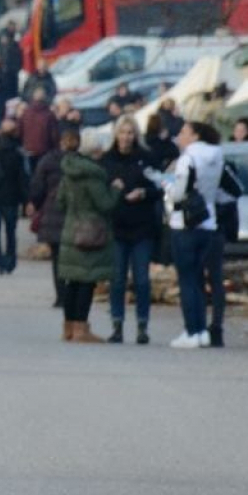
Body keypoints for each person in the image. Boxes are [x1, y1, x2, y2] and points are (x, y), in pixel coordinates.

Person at [163, 120, 226, 349]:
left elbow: (179, 192)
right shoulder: (217, 156)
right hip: (208, 221)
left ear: (195, 135)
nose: (180, 136)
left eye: (183, 132)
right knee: (198, 279)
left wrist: (167, 187)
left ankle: (192, 330)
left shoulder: (187, 158)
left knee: (187, 280)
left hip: (185, 224)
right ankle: (202, 332)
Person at [101, 117, 163, 344]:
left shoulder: (146, 159)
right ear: (116, 134)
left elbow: (160, 187)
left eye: (130, 133)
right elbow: (100, 192)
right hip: (117, 226)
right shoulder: (107, 160)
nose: (126, 137)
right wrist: (113, 190)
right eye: (122, 132)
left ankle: (142, 326)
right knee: (117, 279)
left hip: (142, 227)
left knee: (142, 280)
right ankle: (117, 324)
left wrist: (144, 193)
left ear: (135, 135)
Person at [54, 126, 118, 342]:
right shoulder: (93, 174)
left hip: (72, 230)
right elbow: (105, 204)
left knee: (72, 281)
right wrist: (116, 189)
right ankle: (82, 329)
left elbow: (60, 202)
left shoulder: (69, 172)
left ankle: (68, 328)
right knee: (87, 281)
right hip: (92, 233)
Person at [26, 132, 69, 308]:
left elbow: (38, 186)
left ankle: (60, 295)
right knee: (71, 257)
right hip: (73, 215)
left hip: (52, 213)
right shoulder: (83, 162)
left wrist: (34, 203)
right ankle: (69, 293)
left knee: (57, 258)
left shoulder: (48, 160)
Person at [0, 119, 27, 275]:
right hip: (11, 197)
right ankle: (10, 262)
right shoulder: (17, 154)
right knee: (11, 232)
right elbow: (22, 178)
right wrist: (26, 200)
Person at [19, 87, 58, 161]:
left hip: (28, 149)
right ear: (45, 97)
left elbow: (20, 130)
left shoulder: (25, 112)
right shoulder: (49, 114)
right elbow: (54, 134)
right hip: (45, 149)